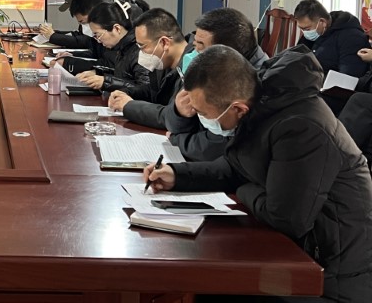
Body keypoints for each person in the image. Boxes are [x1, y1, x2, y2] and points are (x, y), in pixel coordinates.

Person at [144, 45, 372, 303]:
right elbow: (235, 166)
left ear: (237, 108)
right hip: (299, 251)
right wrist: (177, 175)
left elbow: (285, 218)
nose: (200, 118)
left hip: (331, 276)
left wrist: (242, 187)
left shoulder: (301, 127)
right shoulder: (262, 105)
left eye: (203, 114)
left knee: (215, 283)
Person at [166, 8, 268, 161]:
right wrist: (178, 112)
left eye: (201, 46)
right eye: (195, 43)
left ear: (225, 53)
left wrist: (176, 140)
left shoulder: (256, 85)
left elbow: (218, 145)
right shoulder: (208, 70)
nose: (194, 52)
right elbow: (173, 115)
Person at [107, 8, 188, 129]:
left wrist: (129, 106)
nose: (140, 53)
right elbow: (154, 92)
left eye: (142, 46)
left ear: (164, 42)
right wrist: (126, 93)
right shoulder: (164, 62)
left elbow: (172, 115)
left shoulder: (192, 69)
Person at [293, 0, 369, 114]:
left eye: (307, 29)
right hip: (310, 85)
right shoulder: (316, 33)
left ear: (322, 22)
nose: (305, 33)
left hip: (332, 95)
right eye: (301, 29)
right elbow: (298, 56)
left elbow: (347, 81)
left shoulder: (352, 37)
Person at [72, 1, 151, 100]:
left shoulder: (139, 50)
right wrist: (98, 73)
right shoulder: (123, 47)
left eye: (98, 35)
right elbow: (124, 75)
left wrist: (106, 82)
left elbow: (145, 90)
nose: (98, 41)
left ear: (116, 29)